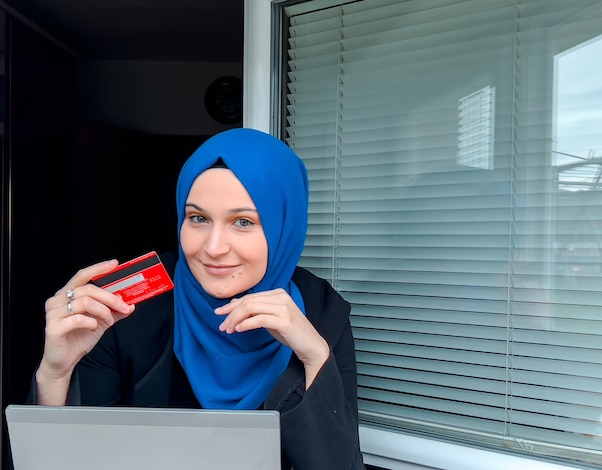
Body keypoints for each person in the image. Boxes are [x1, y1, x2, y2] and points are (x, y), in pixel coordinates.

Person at [29, 128, 366, 469]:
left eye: (243, 221)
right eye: (199, 218)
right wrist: (55, 375)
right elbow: (74, 460)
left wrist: (315, 357)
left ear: (284, 225)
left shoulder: (322, 312)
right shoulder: (127, 304)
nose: (214, 248)